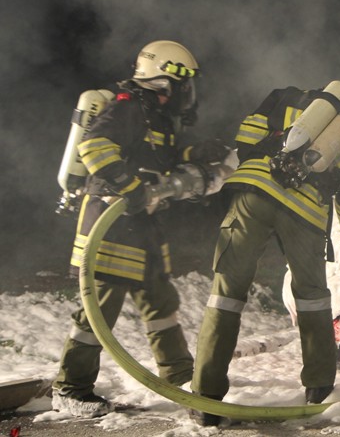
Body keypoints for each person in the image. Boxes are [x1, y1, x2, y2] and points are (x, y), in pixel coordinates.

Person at [190, 74, 340, 426]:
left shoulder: (290, 97)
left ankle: (206, 396)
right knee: (312, 298)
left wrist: (265, 163)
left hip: (252, 191)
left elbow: (245, 136)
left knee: (226, 293)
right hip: (306, 212)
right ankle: (319, 390)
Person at [51, 40, 230, 418]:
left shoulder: (156, 118)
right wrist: (130, 190)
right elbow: (94, 145)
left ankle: (179, 375)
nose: (188, 93)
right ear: (165, 83)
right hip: (111, 227)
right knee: (97, 313)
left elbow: (157, 161)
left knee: (161, 304)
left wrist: (192, 155)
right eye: (183, 85)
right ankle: (70, 389)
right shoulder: (127, 108)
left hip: (141, 229)